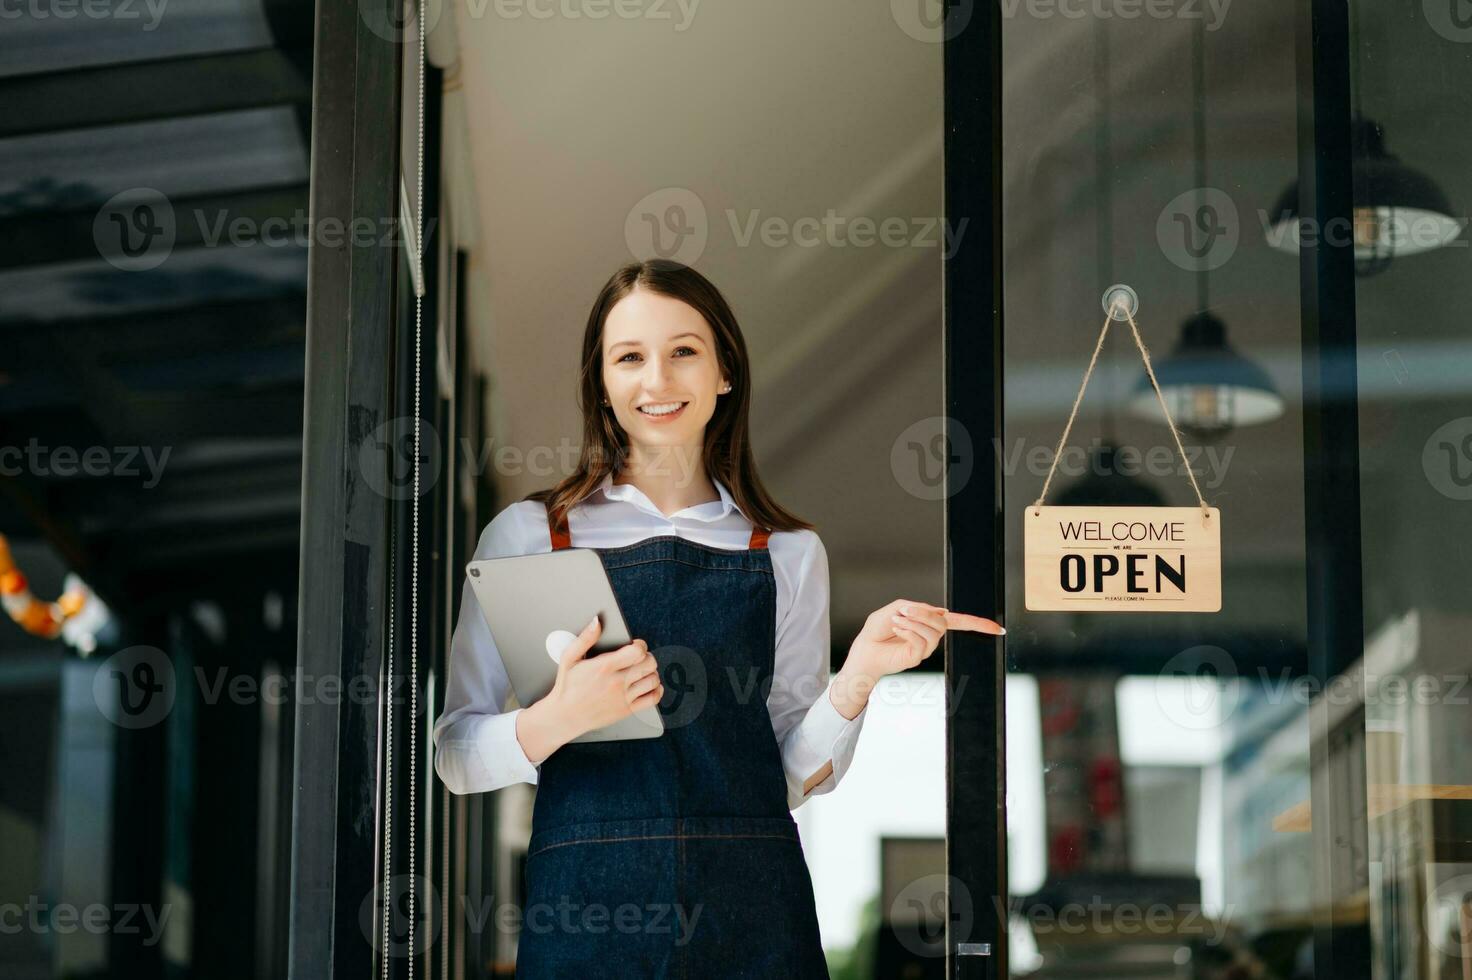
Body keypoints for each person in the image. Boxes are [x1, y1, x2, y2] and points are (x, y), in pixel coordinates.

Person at [433, 258, 1003, 977]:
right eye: (630, 358)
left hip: (753, 914)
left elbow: (788, 778)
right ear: (602, 383)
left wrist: (856, 680)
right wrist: (560, 717)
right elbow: (453, 753)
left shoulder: (790, 552)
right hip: (585, 919)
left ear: (724, 371)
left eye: (683, 353)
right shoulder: (531, 534)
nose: (658, 380)